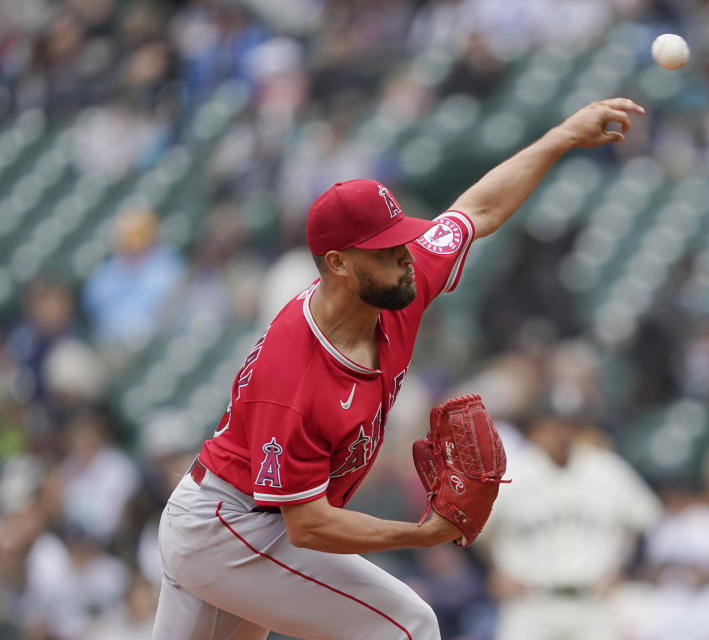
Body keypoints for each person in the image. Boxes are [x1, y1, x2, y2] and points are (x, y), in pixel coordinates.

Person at [151, 97, 645, 640]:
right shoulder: (292, 373)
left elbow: (476, 211)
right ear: (339, 264)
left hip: (236, 523)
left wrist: (563, 135)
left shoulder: (396, 287)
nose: (408, 256)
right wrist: (422, 533)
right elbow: (309, 526)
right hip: (234, 526)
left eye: (403, 241)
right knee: (407, 626)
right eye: (387, 251)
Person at [480, 408, 661, 640]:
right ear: (536, 430)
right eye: (553, 426)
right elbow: (470, 530)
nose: (561, 434)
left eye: (569, 426)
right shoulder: (510, 473)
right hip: (530, 603)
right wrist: (492, 572)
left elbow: (647, 520)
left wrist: (627, 570)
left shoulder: (606, 469)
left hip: (594, 602)